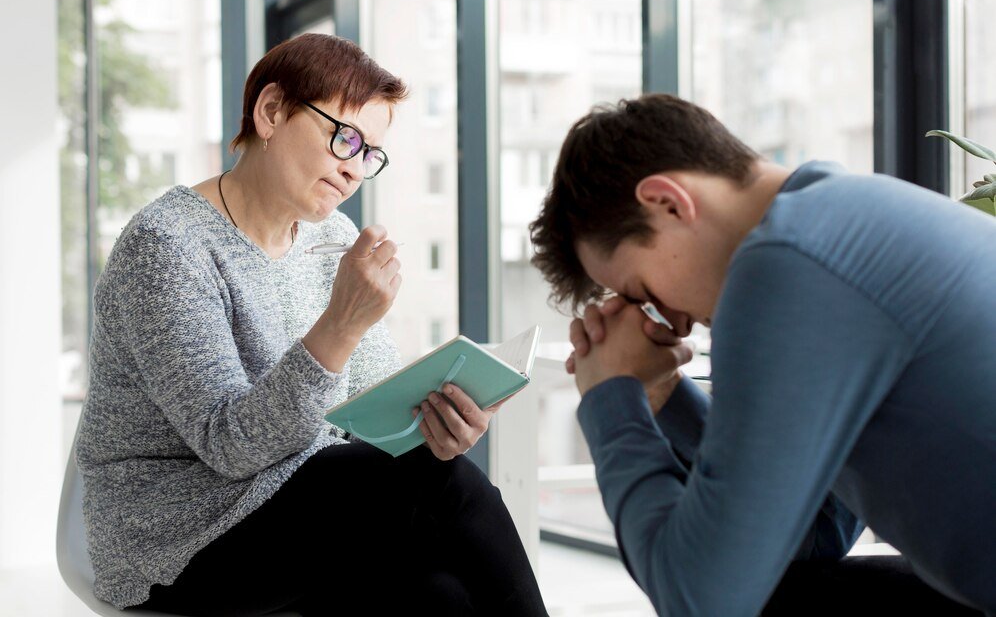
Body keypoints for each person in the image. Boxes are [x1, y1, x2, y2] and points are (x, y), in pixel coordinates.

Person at [75, 33, 547, 616]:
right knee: (442, 484)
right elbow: (229, 446)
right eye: (344, 138)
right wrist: (341, 324)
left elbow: (372, 414)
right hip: (175, 537)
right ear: (271, 112)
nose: (354, 171)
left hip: (304, 504)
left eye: (369, 154)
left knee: (439, 595)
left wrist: (437, 421)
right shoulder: (168, 246)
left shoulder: (334, 240)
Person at [528, 93, 995, 616]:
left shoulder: (786, 266)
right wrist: (660, 393)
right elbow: (813, 534)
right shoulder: (835, 218)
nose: (669, 322)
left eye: (642, 292)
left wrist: (610, 397)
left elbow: (700, 602)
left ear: (668, 202)